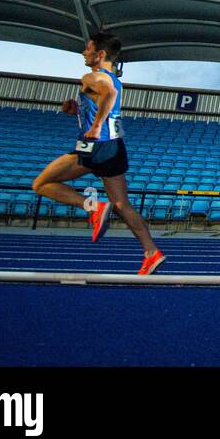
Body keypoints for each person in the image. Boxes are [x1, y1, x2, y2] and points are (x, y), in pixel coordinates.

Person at [30, 31, 165, 275]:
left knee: (41, 183)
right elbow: (106, 99)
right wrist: (78, 112)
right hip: (115, 147)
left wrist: (95, 126)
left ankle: (92, 208)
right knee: (121, 203)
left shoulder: (93, 76)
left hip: (95, 146)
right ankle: (151, 252)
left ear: (100, 54)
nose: (84, 52)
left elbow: (109, 95)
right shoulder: (114, 78)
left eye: (88, 48)